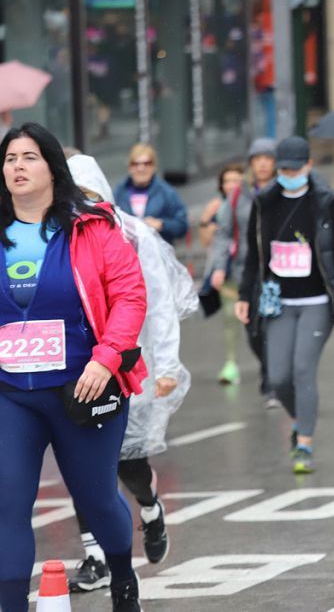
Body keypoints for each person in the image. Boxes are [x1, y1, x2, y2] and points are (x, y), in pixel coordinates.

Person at [0, 123, 148, 612]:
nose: (16, 167)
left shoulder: (92, 225)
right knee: (7, 506)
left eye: (29, 157)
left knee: (97, 500)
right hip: (11, 394)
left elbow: (129, 296)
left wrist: (106, 360)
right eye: (8, 159)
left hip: (82, 388)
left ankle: (123, 576)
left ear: (52, 168)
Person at [65, 154, 197, 591]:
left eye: (87, 195)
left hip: (128, 366)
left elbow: (158, 305)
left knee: (128, 463)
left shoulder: (132, 234)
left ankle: (150, 506)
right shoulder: (59, 235)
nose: (80, 204)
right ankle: (95, 555)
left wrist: (168, 365)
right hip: (78, 367)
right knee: (83, 461)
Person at [236, 137, 334, 474]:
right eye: (284, 168)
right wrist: (244, 297)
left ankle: (304, 442)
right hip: (279, 301)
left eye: (295, 167)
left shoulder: (324, 201)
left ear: (309, 166)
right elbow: (254, 255)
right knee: (278, 377)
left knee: (303, 369)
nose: (289, 173)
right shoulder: (264, 203)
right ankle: (299, 419)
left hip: (317, 301)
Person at [208, 138, 277, 397]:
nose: (262, 163)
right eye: (257, 158)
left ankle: (272, 378)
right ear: (250, 163)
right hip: (245, 271)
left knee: (274, 325)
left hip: (278, 271)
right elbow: (224, 232)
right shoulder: (239, 194)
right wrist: (218, 266)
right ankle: (269, 365)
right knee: (253, 329)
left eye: (267, 158)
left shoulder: (283, 189)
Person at [196, 163, 245, 386]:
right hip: (227, 272)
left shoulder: (251, 203)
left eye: (236, 180)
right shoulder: (218, 207)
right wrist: (207, 220)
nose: (231, 185)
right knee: (229, 319)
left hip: (250, 270)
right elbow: (207, 242)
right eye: (227, 181)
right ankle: (231, 363)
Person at [113, 143, 188, 243]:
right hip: (127, 255)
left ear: (154, 167)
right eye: (135, 164)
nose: (141, 168)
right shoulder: (119, 192)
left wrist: (161, 224)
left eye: (146, 163)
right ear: (129, 167)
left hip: (158, 254)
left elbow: (182, 225)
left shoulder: (166, 192)